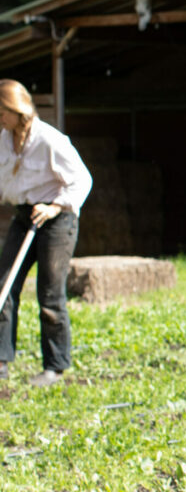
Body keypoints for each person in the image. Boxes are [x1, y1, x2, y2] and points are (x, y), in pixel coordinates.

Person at [0, 81, 92, 386]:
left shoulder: (50, 140)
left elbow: (82, 180)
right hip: (25, 215)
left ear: (17, 109)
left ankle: (54, 367)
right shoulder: (4, 140)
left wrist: (54, 207)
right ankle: (1, 362)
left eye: (2, 111)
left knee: (49, 294)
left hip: (57, 218)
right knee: (4, 285)